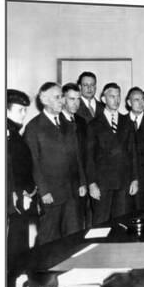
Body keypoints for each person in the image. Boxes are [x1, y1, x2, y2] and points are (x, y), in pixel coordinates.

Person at [24, 82, 86, 244]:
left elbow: (77, 156)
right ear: (44, 100)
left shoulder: (68, 124)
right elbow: (33, 163)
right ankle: (44, 269)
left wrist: (82, 182)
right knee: (48, 237)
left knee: (73, 236)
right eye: (57, 97)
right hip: (51, 194)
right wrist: (44, 192)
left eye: (62, 97)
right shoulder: (33, 127)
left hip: (72, 192)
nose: (62, 101)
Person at [86, 83, 139, 224]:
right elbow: (89, 157)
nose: (116, 100)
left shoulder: (127, 122)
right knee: (100, 223)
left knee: (122, 224)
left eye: (118, 96)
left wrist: (134, 179)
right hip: (102, 184)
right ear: (103, 99)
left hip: (123, 182)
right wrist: (91, 184)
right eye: (112, 96)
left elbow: (132, 152)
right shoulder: (93, 124)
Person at [6, 89, 36, 287]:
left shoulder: (15, 132)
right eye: (20, 110)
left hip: (22, 199)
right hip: (14, 202)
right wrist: (19, 194)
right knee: (13, 250)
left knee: (19, 247)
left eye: (25, 110)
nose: (24, 114)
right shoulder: (7, 134)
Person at [60, 83, 89, 228]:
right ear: (63, 99)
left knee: (78, 225)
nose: (76, 103)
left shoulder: (82, 122)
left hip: (81, 184)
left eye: (78, 99)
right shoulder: (56, 122)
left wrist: (84, 182)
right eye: (72, 99)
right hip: (63, 187)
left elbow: (84, 155)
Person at [126, 87, 144, 212]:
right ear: (128, 102)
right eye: (136, 100)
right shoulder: (122, 121)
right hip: (127, 179)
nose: (141, 103)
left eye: (142, 99)